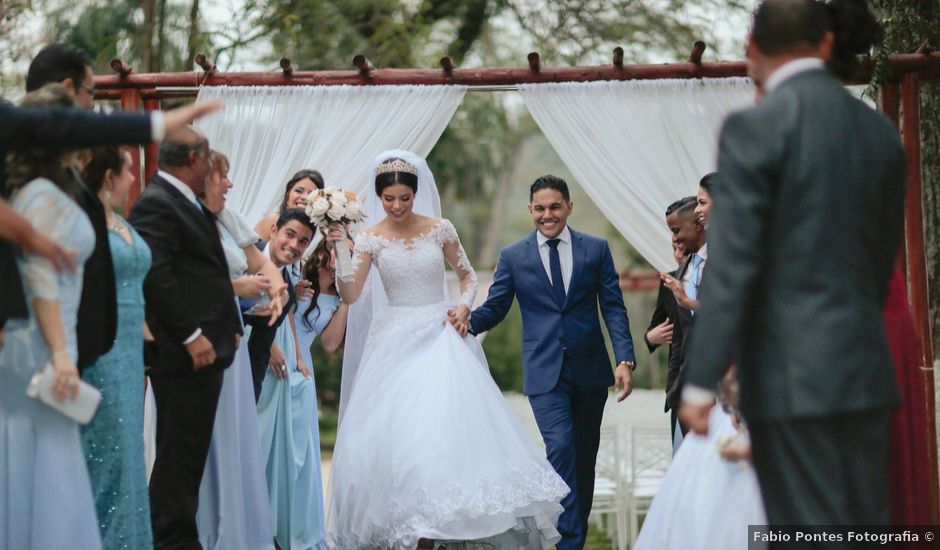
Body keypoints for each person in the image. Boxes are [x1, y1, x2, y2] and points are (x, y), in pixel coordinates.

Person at [680, 0, 905, 528]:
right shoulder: (878, 133)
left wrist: (699, 381)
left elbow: (732, 266)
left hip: (789, 380)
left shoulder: (753, 128)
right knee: (865, 532)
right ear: (827, 45)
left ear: (754, 49)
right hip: (865, 374)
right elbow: (878, 268)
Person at [328, 151, 568, 549]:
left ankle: (438, 532)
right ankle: (408, 533)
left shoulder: (440, 229)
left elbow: (469, 278)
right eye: (389, 199)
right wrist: (340, 249)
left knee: (443, 441)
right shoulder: (370, 238)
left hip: (439, 336)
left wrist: (463, 306)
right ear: (379, 198)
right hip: (393, 344)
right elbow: (351, 294)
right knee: (399, 446)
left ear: (415, 194)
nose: (397, 206)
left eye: (404, 198)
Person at [23, 43, 222, 374]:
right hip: (39, 349)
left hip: (85, 347)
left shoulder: (67, 174)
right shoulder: (33, 179)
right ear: (69, 89)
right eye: (92, 93)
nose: (92, 106)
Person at [469, 174, 636, 549]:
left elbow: (613, 307)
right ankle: (568, 543)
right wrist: (466, 322)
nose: (548, 215)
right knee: (560, 450)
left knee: (583, 461)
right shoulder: (513, 256)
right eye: (540, 208)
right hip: (545, 374)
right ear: (531, 210)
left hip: (591, 372)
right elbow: (496, 307)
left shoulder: (596, 249)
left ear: (568, 207)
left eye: (555, 207)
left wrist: (625, 358)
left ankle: (573, 536)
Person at [128, 128, 242, 549]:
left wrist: (227, 324)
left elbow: (203, 274)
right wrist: (192, 335)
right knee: (178, 459)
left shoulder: (184, 201)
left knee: (188, 460)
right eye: (208, 159)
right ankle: (169, 541)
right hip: (183, 357)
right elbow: (156, 276)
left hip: (207, 354)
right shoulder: (157, 204)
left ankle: (180, 538)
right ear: (194, 159)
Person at [0, 84, 103, 550]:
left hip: (51, 337)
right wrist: (61, 354)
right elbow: (40, 278)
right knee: (38, 466)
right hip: (41, 346)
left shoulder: (37, 190)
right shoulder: (40, 196)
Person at [195, 150, 282, 550]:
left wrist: (276, 290)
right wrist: (237, 288)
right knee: (205, 434)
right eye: (222, 176)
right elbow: (180, 282)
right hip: (199, 334)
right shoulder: (187, 220)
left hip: (232, 334)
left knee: (234, 434)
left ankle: (236, 528)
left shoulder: (230, 218)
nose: (230, 183)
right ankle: (207, 529)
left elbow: (262, 264)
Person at [78, 146, 154, 549]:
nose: (132, 181)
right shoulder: (85, 226)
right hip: (102, 349)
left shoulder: (120, 221)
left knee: (129, 452)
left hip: (132, 351)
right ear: (110, 177)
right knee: (104, 449)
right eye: (127, 172)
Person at [254, 209, 330, 550]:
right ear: (273, 230)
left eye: (303, 241)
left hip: (270, 361)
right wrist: (270, 346)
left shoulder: (287, 276)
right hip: (246, 364)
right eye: (290, 235)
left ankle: (270, 527)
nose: (295, 244)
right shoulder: (252, 263)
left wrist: (296, 354)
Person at [645, 196, 694, 451]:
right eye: (673, 247)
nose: (677, 254)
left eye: (682, 248)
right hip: (679, 385)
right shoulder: (668, 283)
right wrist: (650, 338)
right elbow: (653, 328)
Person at [254, 169, 324, 241]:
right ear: (288, 194)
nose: (304, 197)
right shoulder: (273, 220)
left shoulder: (315, 232)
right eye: (299, 191)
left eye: (311, 194)